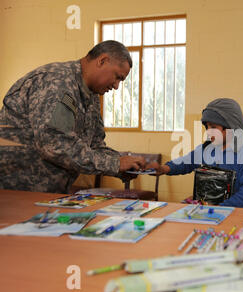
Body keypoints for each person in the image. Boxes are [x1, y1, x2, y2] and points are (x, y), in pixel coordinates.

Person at [0, 40, 146, 193]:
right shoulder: (58, 82)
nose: (116, 86)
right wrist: (115, 164)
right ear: (102, 61)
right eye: (117, 77)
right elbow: (55, 145)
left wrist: (131, 165)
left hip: (48, 193)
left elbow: (95, 146)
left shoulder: (91, 96)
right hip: (16, 190)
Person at [147, 98, 243, 208]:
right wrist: (163, 168)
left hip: (237, 216)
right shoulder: (209, 149)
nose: (209, 132)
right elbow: (187, 161)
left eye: (214, 127)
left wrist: (218, 209)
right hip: (211, 212)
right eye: (207, 127)